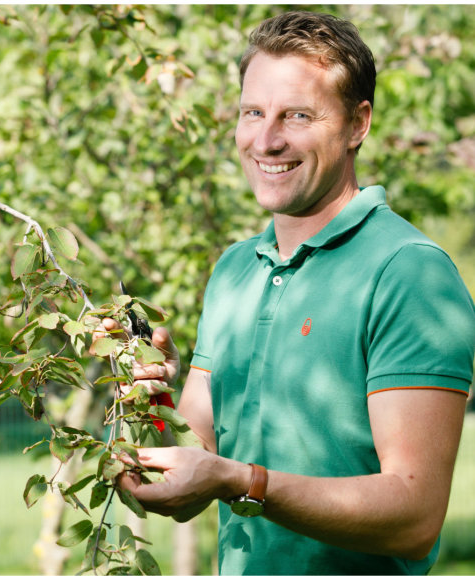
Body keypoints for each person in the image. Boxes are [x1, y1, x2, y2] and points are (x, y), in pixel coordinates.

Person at [99, 10, 475, 575]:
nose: (267, 140)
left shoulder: (409, 273)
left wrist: (242, 482)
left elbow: (414, 516)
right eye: (254, 112)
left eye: (297, 115)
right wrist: (146, 393)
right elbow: (193, 461)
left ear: (357, 124)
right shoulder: (233, 271)